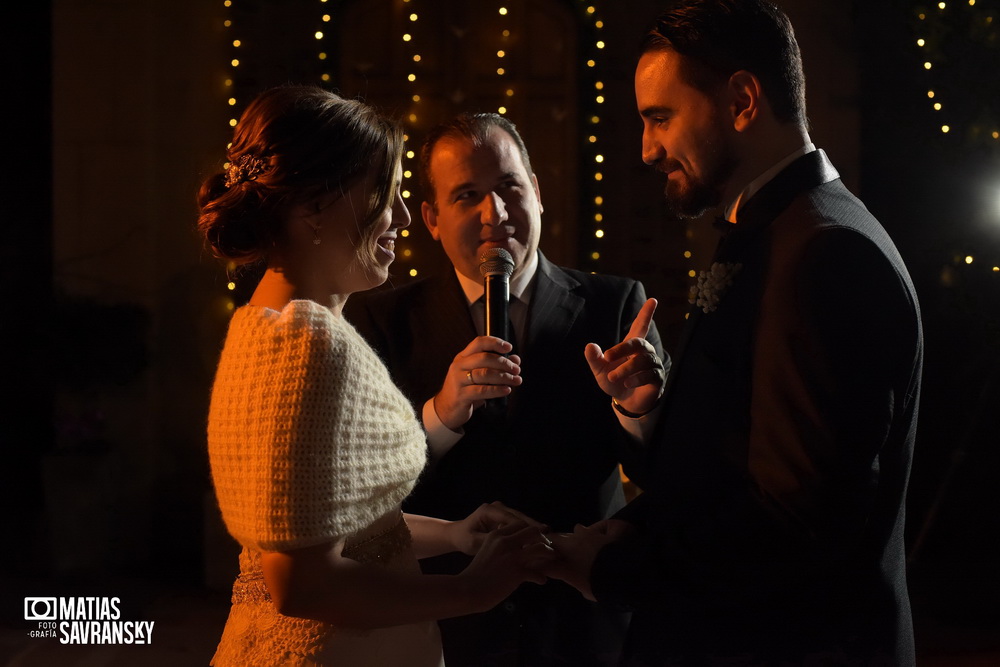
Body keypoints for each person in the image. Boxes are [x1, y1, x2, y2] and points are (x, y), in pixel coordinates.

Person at [549, 1, 923, 665]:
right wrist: (649, 420)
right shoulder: (773, 233)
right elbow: (730, 466)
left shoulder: (825, 254)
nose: (646, 149)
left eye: (659, 117)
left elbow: (798, 522)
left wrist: (611, 570)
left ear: (744, 100)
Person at [197, 85, 555, 667]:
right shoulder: (307, 346)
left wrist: (456, 534)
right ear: (314, 207)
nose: (403, 218)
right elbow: (303, 585)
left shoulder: (262, 322)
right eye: (383, 196)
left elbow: (329, 524)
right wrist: (474, 589)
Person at [345, 112, 666, 665]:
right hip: (444, 617)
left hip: (578, 620)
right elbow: (361, 490)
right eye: (467, 195)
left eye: (508, 187)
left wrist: (639, 413)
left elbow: (674, 473)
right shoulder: (382, 321)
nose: (493, 213)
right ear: (432, 218)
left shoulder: (615, 306)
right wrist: (441, 416)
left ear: (537, 193)